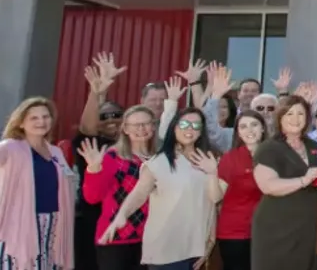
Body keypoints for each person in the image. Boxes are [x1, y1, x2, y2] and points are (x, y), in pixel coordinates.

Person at [101, 107, 223, 270]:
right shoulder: (159, 162)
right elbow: (139, 193)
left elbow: (214, 200)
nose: (189, 129)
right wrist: (121, 216)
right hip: (166, 249)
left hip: (195, 248)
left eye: (196, 125)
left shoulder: (209, 160)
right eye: (185, 123)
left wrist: (210, 239)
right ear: (174, 127)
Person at [0, 97, 76, 270]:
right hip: (18, 227)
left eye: (46, 116)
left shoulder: (56, 152)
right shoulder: (10, 147)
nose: (41, 121)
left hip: (52, 226)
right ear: (20, 123)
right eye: (34, 118)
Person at [80, 105, 158, 270]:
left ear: (153, 126)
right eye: (135, 125)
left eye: (146, 123)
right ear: (125, 129)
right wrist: (93, 169)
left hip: (151, 240)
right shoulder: (113, 157)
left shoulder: (159, 159)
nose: (141, 129)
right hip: (116, 239)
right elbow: (92, 197)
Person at [251, 95, 317, 270]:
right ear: (280, 117)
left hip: (307, 227)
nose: (295, 119)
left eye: (301, 114)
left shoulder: (313, 145)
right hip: (277, 227)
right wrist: (303, 181)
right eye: (289, 114)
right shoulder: (269, 147)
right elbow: (268, 186)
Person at [75, 54, 126, 270]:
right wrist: (96, 94)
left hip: (125, 221)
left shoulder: (132, 146)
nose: (111, 119)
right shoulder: (93, 143)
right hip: (92, 220)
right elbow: (87, 128)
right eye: (104, 116)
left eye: (116, 115)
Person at [216, 111, 268, 270]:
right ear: (238, 132)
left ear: (263, 128)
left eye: (254, 125)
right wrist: (211, 173)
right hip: (235, 233)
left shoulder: (274, 155)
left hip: (267, 230)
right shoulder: (229, 158)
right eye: (243, 126)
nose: (249, 130)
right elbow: (217, 196)